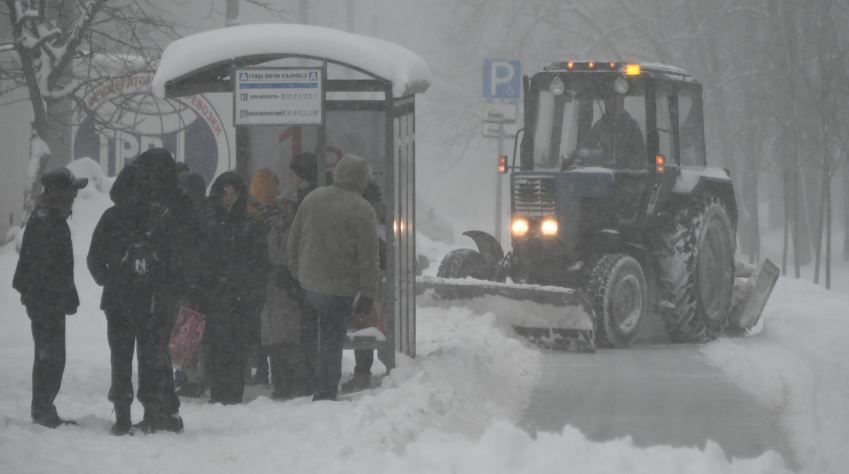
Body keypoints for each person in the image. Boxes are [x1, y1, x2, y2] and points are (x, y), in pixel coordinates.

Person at [87, 154, 184, 436]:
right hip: (150, 301)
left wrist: (111, 277)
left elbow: (94, 259)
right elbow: (175, 261)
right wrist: (161, 282)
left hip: (117, 301)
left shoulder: (111, 217)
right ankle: (152, 412)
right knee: (150, 358)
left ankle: (122, 416)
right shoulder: (160, 216)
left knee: (120, 358)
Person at [287, 154, 380, 401]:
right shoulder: (363, 209)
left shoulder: (312, 198)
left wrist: (297, 272)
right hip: (339, 288)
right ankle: (325, 390)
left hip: (308, 283)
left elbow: (293, 240)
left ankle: (307, 381)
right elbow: (368, 256)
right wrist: (368, 291)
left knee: (309, 336)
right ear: (361, 179)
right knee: (331, 339)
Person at [13, 168, 87, 428]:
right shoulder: (46, 219)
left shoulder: (51, 216)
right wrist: (61, 294)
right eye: (72, 190)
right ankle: (43, 409)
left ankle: (44, 407)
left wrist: (68, 292)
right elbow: (46, 267)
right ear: (59, 192)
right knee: (50, 355)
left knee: (52, 355)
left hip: (47, 297)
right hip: (44, 299)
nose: (75, 196)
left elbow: (57, 265)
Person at [202, 172, 268, 405]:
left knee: (237, 345)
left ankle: (232, 391)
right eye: (224, 192)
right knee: (217, 344)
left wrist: (250, 290)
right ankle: (219, 390)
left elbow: (259, 263)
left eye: (232, 192)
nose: (227, 197)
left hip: (240, 294)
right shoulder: (212, 222)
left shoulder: (250, 224)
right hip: (218, 294)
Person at [342, 178, 386, 392]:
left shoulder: (364, 224)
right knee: (367, 326)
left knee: (364, 325)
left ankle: (362, 373)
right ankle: (363, 372)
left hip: (362, 284)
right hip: (371, 285)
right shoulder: (380, 225)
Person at [247, 169, 281, 386]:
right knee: (269, 325)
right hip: (271, 276)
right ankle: (267, 368)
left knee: (254, 326)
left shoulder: (246, 212)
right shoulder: (275, 213)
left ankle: (259, 368)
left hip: (251, 277)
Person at [578, 93, 646, 170]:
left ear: (622, 102)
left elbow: (640, 155)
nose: (614, 104)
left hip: (628, 177)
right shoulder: (599, 127)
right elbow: (585, 148)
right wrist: (592, 153)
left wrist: (624, 163)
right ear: (606, 103)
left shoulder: (633, 127)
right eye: (610, 100)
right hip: (602, 177)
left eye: (617, 100)